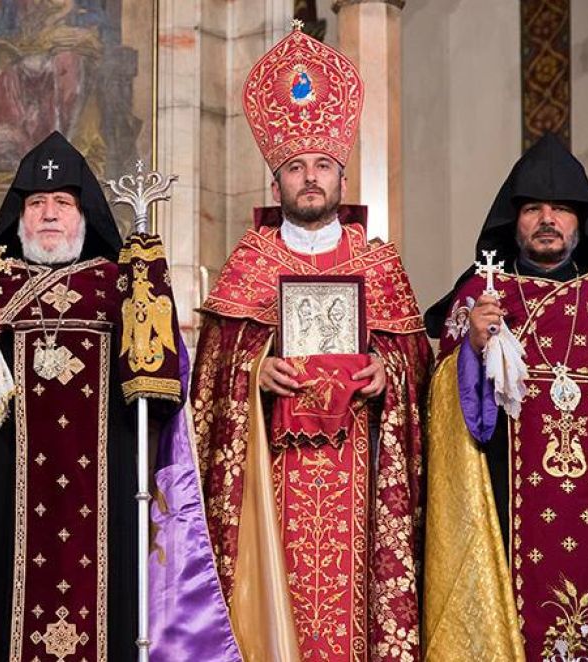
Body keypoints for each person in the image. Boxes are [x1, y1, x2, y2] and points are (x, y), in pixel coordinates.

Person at [0, 131, 239, 662]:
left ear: (83, 216)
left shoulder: (119, 284)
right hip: (5, 500)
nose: (48, 214)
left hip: (107, 498)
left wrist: (150, 303)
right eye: (36, 204)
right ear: (20, 217)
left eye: (62, 203)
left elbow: (164, 395)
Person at [191, 23, 433, 660]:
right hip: (272, 477)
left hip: (363, 465)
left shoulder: (378, 262)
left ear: (341, 178)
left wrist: (391, 375)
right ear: (277, 183)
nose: (310, 178)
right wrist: (254, 373)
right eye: (295, 167)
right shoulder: (250, 260)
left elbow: (419, 363)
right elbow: (210, 382)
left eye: (322, 164)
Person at [423, 134, 588, 660]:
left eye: (562, 208)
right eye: (534, 208)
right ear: (513, 219)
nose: (548, 219)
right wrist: (471, 347)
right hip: (505, 496)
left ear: (581, 220)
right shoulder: (482, 293)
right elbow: (441, 403)